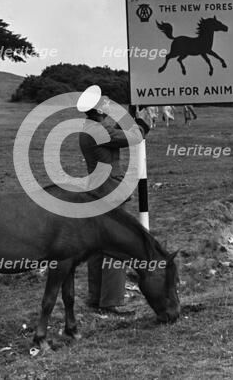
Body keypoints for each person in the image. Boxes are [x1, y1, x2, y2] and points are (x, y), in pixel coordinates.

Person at [78, 86, 151, 315]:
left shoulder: (90, 128)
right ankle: (110, 301)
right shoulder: (100, 132)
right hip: (109, 193)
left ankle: (95, 297)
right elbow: (135, 136)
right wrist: (142, 121)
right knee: (116, 248)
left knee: (97, 248)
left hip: (96, 192)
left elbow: (114, 129)